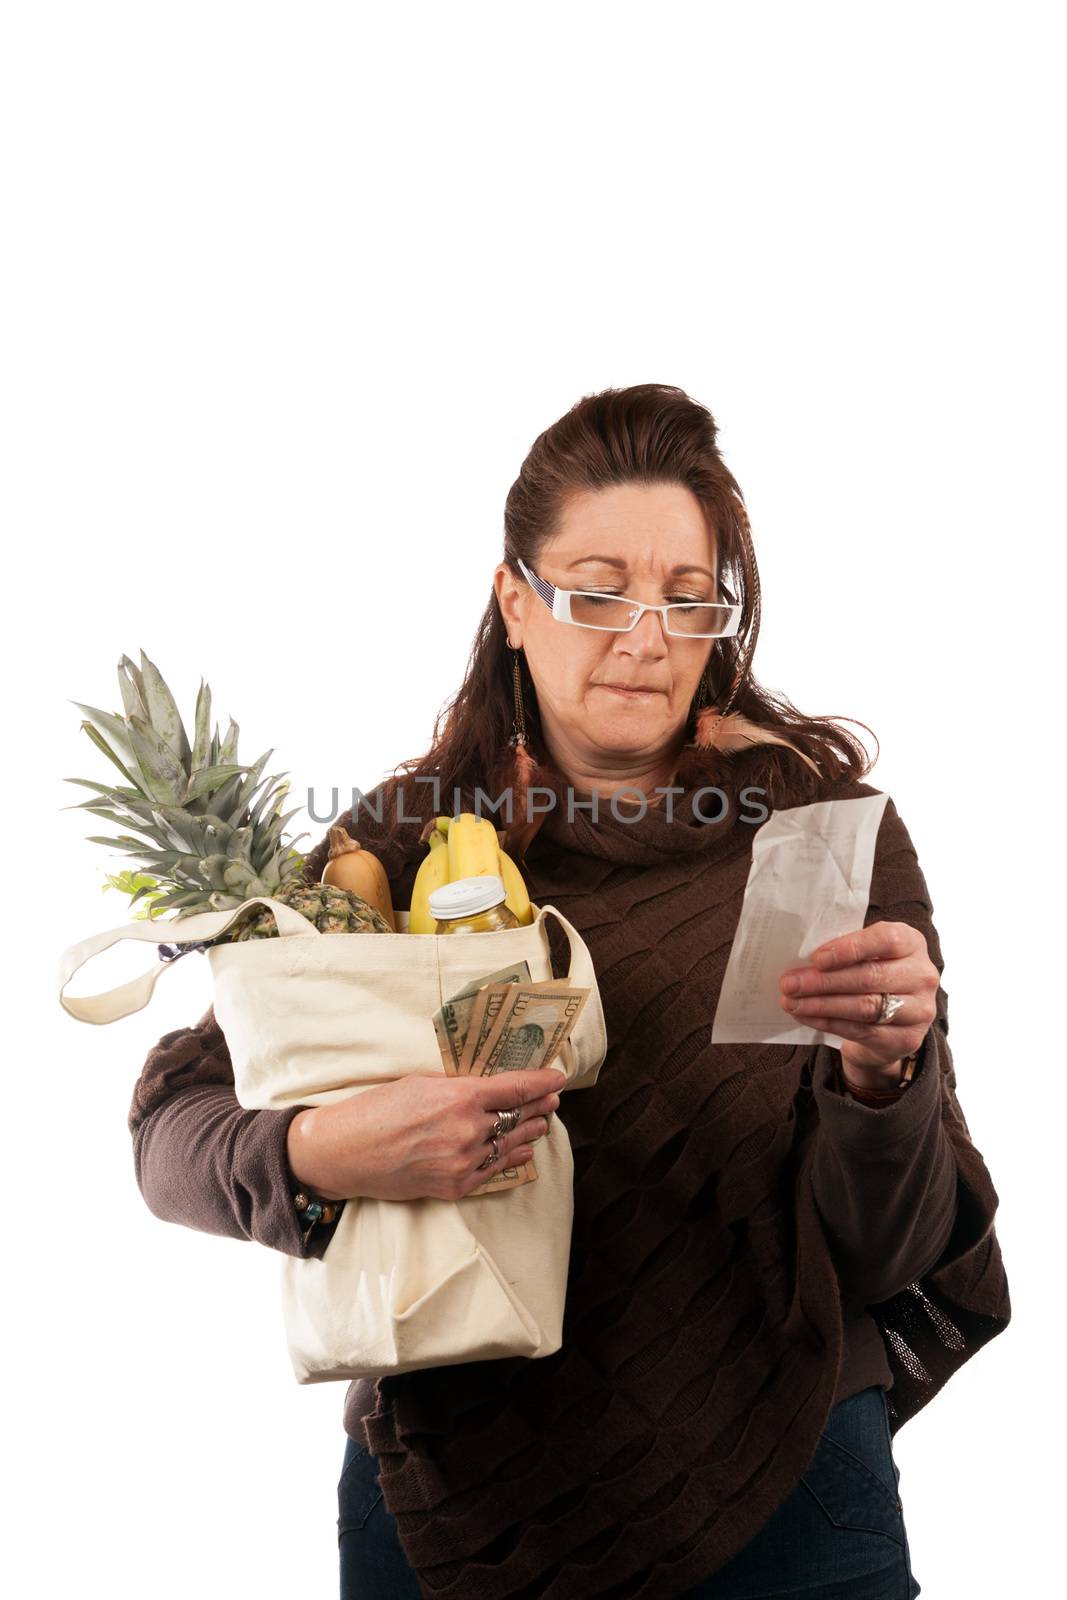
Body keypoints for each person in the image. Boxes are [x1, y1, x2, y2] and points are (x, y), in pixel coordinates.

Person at [129, 384, 1011, 1600]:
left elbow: (888, 1247)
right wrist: (326, 1150)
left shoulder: (816, 837)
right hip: (456, 1500)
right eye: (596, 589)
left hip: (793, 1492)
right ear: (513, 602)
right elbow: (170, 1132)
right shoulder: (388, 850)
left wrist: (885, 1077)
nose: (643, 635)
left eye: (685, 596)